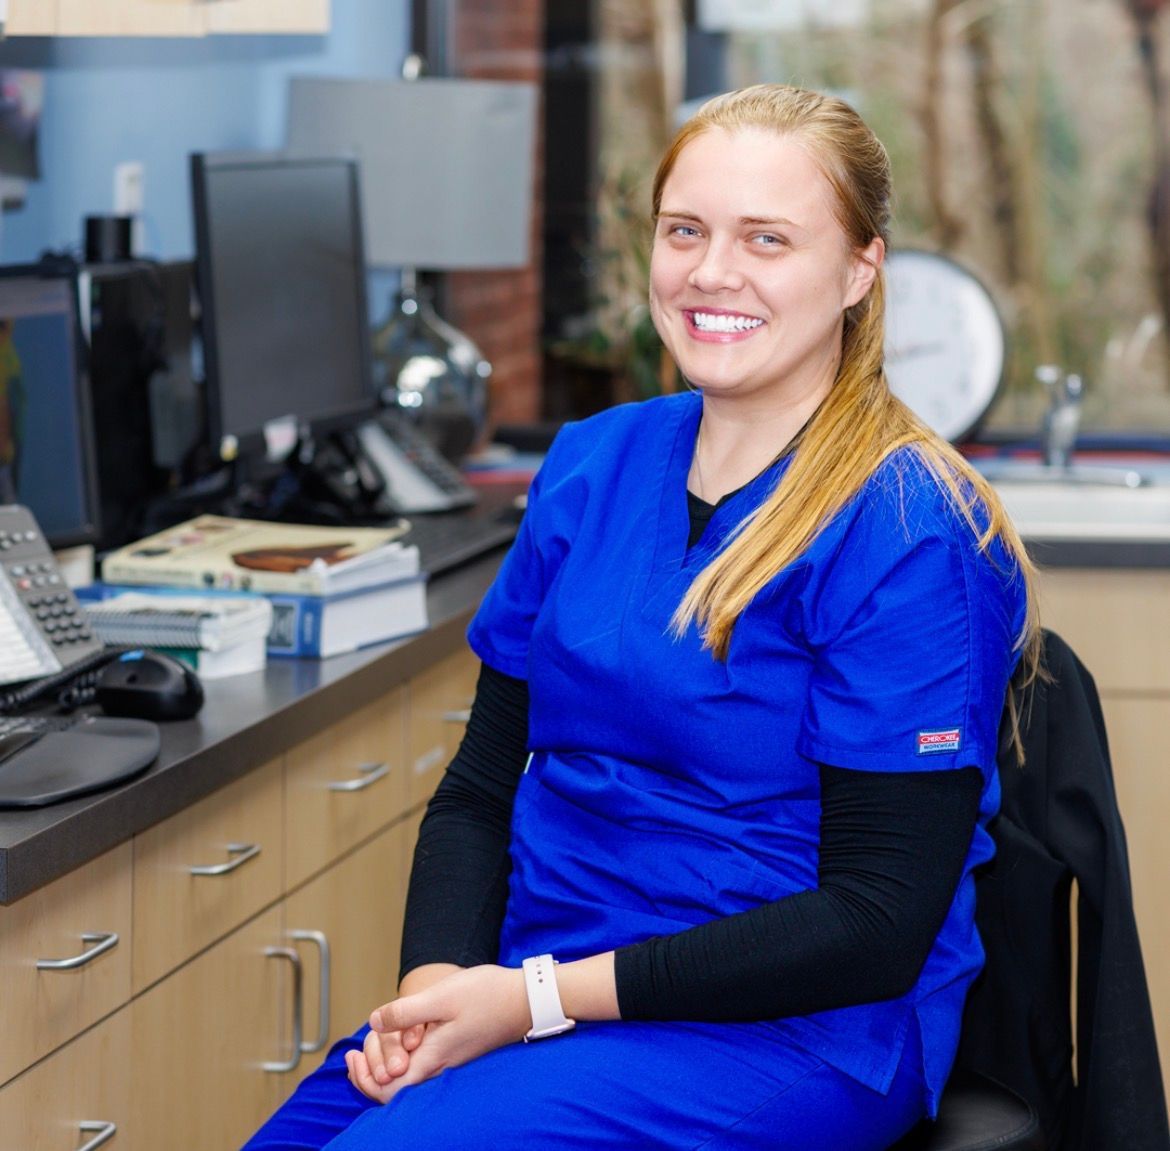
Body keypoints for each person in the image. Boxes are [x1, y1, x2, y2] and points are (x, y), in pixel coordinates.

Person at [243, 82, 1040, 1151]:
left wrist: (531, 999)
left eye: (768, 238)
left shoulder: (910, 528)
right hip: (543, 980)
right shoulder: (593, 463)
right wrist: (440, 982)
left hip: (786, 1030)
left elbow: (875, 921)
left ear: (859, 269)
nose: (714, 272)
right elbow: (482, 784)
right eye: (686, 231)